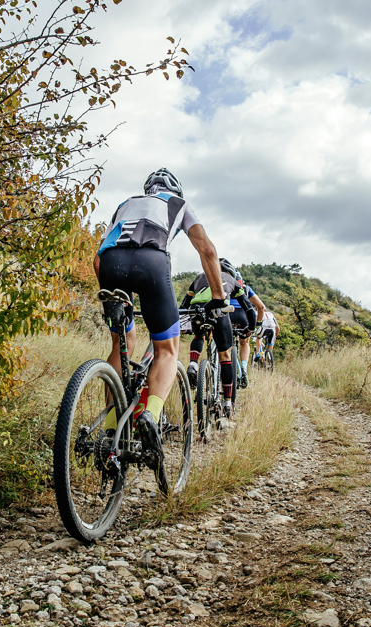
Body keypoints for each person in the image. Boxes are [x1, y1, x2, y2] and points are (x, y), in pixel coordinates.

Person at [92, 168, 229, 465]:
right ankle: (151, 416)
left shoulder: (125, 203)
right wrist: (218, 297)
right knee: (166, 350)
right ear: (175, 189)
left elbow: (97, 257)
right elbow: (206, 249)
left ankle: (110, 428)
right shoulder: (178, 204)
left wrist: (112, 291)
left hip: (111, 266)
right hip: (151, 263)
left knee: (121, 343)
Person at [181, 258, 255, 417]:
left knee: (199, 336)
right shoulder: (232, 281)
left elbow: (184, 304)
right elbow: (249, 309)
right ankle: (227, 403)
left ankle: (193, 364)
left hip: (196, 311)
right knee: (225, 356)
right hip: (219, 313)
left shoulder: (199, 277)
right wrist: (251, 328)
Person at [228, 271, 265, 388]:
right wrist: (258, 323)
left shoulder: (224, 284)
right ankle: (243, 368)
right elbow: (261, 306)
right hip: (243, 316)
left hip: (227, 314)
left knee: (224, 344)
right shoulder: (246, 288)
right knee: (244, 343)